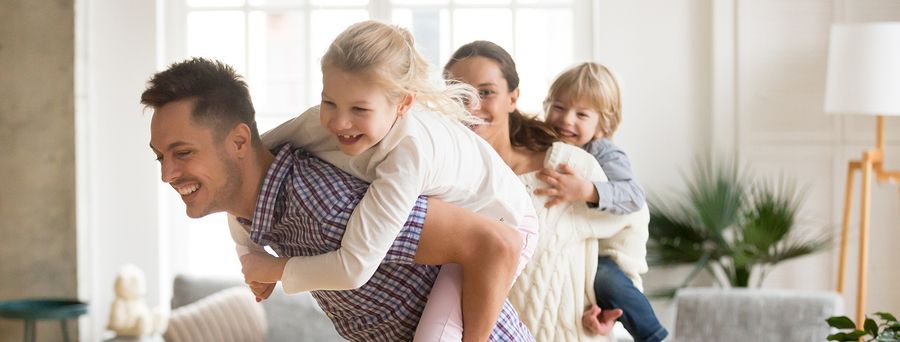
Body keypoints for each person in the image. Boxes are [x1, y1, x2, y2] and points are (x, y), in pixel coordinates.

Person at [143, 57, 534, 341]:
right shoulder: (269, 209)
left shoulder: (321, 204)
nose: (166, 174)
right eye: (161, 157)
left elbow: (496, 243)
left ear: (239, 142)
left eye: (184, 153)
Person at [251, 21, 539, 341]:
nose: (339, 122)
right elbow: (249, 161)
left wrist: (275, 269)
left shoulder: (408, 155)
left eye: (359, 109)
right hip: (463, 214)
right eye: (329, 102)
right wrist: (246, 251)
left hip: (509, 220)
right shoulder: (320, 121)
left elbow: (355, 266)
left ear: (403, 104)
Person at [444, 40, 656, 342]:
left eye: (486, 92)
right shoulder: (440, 177)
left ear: (513, 97)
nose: (471, 105)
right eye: (458, 93)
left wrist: (610, 303)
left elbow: (630, 224)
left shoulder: (567, 166)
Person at [537, 62, 668, 342]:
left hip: (604, 252)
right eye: (558, 107)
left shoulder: (606, 153)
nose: (566, 120)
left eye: (581, 114)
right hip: (567, 246)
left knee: (607, 281)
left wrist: (587, 190)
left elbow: (633, 195)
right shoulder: (544, 142)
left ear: (603, 124)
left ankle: (654, 335)